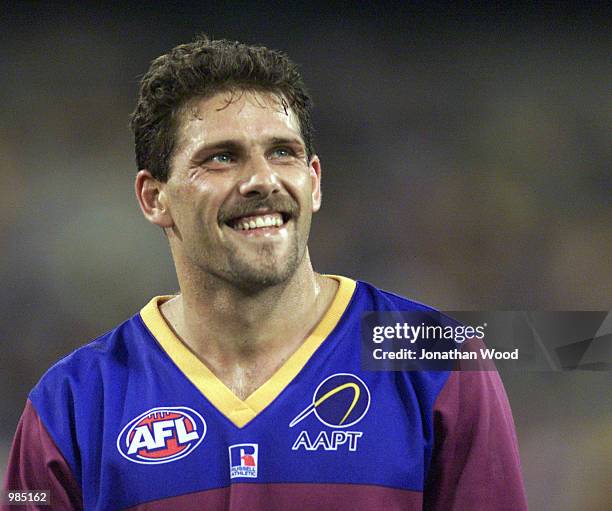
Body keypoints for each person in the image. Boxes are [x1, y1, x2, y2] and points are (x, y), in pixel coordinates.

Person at [2, 36, 528, 510]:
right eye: (221, 158)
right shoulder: (70, 404)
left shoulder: (439, 361)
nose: (261, 179)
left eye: (283, 152)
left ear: (314, 181)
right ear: (153, 196)